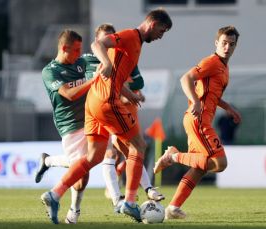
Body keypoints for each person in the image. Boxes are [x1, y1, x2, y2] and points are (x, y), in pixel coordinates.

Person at [40, 9, 172, 224]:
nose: (161, 36)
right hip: (106, 103)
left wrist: (128, 93)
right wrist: (107, 64)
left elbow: (117, 77)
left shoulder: (135, 43)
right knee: (138, 146)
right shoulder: (130, 36)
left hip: (92, 103)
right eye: (161, 30)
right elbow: (97, 44)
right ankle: (129, 201)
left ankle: (54, 193)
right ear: (152, 23)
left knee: (95, 157)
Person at [153, 26, 242, 219]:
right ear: (216, 43)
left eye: (232, 44)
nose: (227, 47)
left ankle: (173, 208)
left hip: (200, 120)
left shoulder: (224, 69)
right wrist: (194, 101)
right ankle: (173, 156)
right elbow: (186, 78)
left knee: (200, 168)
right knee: (220, 163)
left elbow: (213, 95)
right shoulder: (211, 62)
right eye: (224, 43)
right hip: (198, 120)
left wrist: (229, 108)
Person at [40, 29, 94, 224]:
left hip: (89, 120)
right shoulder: (50, 71)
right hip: (70, 125)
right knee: (80, 172)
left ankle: (73, 213)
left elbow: (102, 61)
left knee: (90, 162)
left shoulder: (81, 62)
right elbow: (69, 94)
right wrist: (94, 80)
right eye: (76, 50)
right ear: (64, 48)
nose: (79, 54)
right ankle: (48, 162)